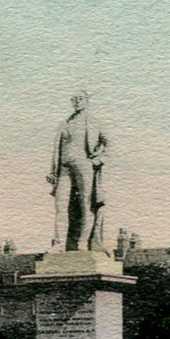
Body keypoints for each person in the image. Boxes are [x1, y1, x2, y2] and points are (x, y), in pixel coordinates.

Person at [48, 90, 110, 251]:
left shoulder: (93, 121)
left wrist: (98, 160)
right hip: (64, 168)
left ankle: (83, 242)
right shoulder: (65, 123)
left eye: (80, 98)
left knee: (86, 205)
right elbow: (58, 148)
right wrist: (52, 171)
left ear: (87, 101)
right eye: (74, 99)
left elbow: (110, 144)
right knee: (61, 207)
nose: (77, 101)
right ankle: (59, 243)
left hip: (84, 165)